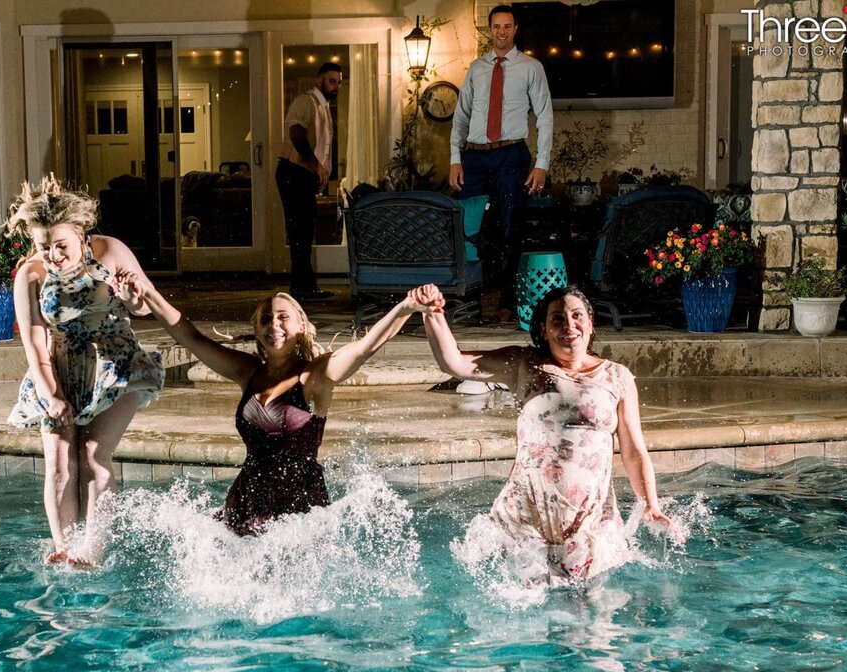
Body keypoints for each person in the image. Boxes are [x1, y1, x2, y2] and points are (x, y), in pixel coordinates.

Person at [115, 271, 438, 535]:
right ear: (256, 328)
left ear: (301, 325)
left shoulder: (315, 376)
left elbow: (365, 347)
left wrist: (406, 308)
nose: (274, 325)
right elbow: (193, 338)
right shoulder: (248, 371)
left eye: (283, 317)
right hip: (248, 494)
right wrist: (149, 293)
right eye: (266, 319)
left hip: (298, 501)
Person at [418, 283, 671, 581]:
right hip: (527, 518)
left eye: (577, 316)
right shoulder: (524, 364)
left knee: (591, 618)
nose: (569, 325)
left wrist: (650, 504)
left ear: (591, 324)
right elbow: (455, 362)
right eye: (558, 319)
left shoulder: (617, 377)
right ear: (544, 328)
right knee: (525, 615)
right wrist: (432, 313)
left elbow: (633, 451)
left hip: (587, 523)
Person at [5, 175, 165, 566]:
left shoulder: (110, 252)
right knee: (61, 461)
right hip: (58, 368)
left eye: (61, 245)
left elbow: (146, 307)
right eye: (45, 247)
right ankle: (64, 547)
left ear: (80, 233)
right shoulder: (30, 275)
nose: (54, 256)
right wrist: (51, 394)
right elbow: (34, 344)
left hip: (115, 365)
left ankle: (92, 551)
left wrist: (132, 299)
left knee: (93, 454)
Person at [449, 4, 554, 319]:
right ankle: (470, 301)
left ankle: (507, 302)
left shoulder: (531, 67)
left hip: (511, 153)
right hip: (475, 156)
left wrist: (542, 163)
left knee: (510, 227)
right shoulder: (476, 68)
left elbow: (545, 116)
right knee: (469, 228)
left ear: (515, 29)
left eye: (507, 26)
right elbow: (461, 116)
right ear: (489, 30)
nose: (502, 32)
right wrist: (456, 159)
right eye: (496, 26)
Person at [275, 61, 344, 301]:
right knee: (300, 231)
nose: (336, 87)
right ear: (319, 81)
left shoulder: (323, 106)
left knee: (305, 231)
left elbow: (322, 144)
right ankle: (301, 288)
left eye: (339, 83)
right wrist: (315, 166)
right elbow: (296, 133)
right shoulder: (307, 101)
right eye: (331, 81)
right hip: (293, 172)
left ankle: (306, 287)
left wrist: (321, 172)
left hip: (303, 174)